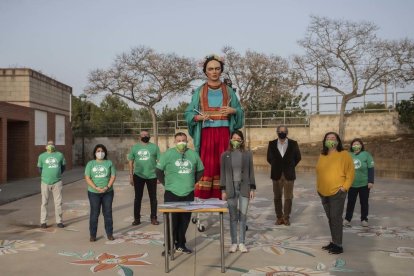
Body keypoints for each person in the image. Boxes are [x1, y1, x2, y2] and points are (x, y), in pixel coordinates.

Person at [185, 54, 244, 199]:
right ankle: (204, 195)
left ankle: (225, 193)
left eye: (217, 68)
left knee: (225, 163)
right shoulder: (199, 91)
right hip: (206, 134)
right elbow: (188, 112)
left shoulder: (229, 91)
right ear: (205, 71)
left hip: (225, 133)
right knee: (208, 164)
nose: (214, 71)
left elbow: (240, 111)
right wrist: (198, 117)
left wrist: (233, 110)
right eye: (210, 69)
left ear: (221, 70)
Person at [156, 132, 204, 254]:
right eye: (179, 140)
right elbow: (159, 171)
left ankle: (181, 244)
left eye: (184, 140)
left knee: (184, 222)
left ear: (187, 141)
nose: (181, 142)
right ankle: (168, 246)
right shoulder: (168, 154)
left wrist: (192, 181)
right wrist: (166, 184)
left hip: (188, 193)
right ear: (174, 142)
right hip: (172, 193)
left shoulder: (193, 154)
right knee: (171, 222)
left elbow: (200, 170)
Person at [316, 132, 355, 254]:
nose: (330, 140)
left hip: (337, 192)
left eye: (333, 138)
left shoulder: (344, 154)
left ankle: (338, 245)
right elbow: (319, 171)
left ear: (337, 141)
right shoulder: (323, 155)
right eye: (328, 138)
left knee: (336, 218)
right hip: (323, 192)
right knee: (331, 218)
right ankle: (334, 241)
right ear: (324, 141)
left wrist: (345, 187)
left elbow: (350, 173)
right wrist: (318, 187)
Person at [220, 130, 256, 253]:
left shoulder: (247, 154)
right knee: (233, 216)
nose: (236, 140)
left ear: (242, 140)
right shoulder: (225, 155)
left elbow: (251, 172)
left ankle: (242, 243)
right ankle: (234, 242)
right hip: (231, 187)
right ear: (230, 140)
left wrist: (252, 188)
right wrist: (223, 190)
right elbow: (223, 174)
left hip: (244, 187)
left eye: (238, 138)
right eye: (234, 138)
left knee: (243, 216)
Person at [267, 125, 301, 226]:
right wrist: (277, 166)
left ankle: (286, 217)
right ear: (277, 132)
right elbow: (269, 158)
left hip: (289, 174)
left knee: (288, 197)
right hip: (276, 174)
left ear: (287, 133)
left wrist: (289, 166)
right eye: (280, 131)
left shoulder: (293, 143)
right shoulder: (272, 144)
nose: (282, 132)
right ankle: (279, 217)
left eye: (284, 131)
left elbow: (298, 157)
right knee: (277, 197)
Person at [128, 130, 161, 226]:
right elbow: (130, 161)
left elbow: (159, 161)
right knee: (138, 198)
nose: (145, 136)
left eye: (147, 135)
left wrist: (159, 176)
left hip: (152, 176)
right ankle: (137, 218)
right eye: (143, 135)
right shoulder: (135, 147)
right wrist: (131, 176)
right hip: (138, 175)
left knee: (153, 198)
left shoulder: (154, 147)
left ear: (150, 136)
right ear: (140, 137)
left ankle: (153, 218)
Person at [85, 144, 116, 242]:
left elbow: (113, 176)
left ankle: (109, 234)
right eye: (98, 151)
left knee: (108, 213)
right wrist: (96, 188)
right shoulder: (90, 164)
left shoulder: (109, 163)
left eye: (102, 151)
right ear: (95, 153)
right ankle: (93, 235)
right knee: (94, 214)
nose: (100, 153)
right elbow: (87, 177)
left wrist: (107, 187)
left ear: (105, 152)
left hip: (108, 192)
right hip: (94, 192)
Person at [344, 138, 375, 227]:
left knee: (364, 202)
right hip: (352, 184)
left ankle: (364, 219)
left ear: (361, 145)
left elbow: (371, 168)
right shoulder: (348, 155)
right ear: (351, 146)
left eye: (358, 144)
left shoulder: (366, 155)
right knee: (350, 202)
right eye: (354, 144)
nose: (356, 146)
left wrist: (371, 181)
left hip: (364, 184)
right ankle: (347, 219)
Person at [37, 140, 66, 229]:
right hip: (45, 182)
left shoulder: (59, 155)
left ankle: (59, 221)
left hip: (57, 182)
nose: (50, 145)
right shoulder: (42, 156)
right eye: (49, 144)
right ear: (46, 146)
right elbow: (40, 168)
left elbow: (63, 167)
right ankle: (43, 222)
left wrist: (57, 174)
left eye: (52, 144)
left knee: (58, 203)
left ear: (54, 146)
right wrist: (45, 176)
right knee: (44, 202)